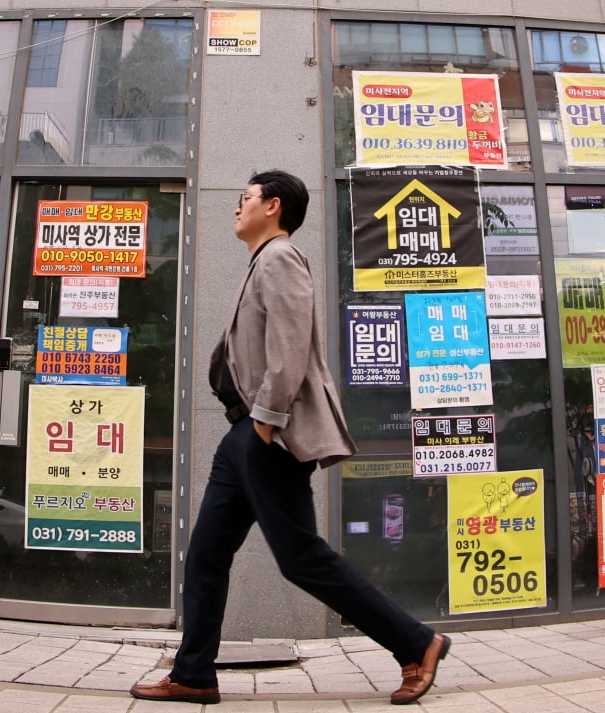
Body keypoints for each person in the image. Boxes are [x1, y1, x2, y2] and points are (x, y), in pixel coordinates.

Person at [130, 170, 450, 706]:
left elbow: (291, 343)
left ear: (272, 206)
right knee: (207, 554)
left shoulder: (280, 258)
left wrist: (266, 420)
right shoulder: (261, 260)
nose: (237, 207)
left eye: (245, 197)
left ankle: (417, 643)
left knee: (300, 557)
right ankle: (193, 673)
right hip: (243, 437)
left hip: (265, 435)